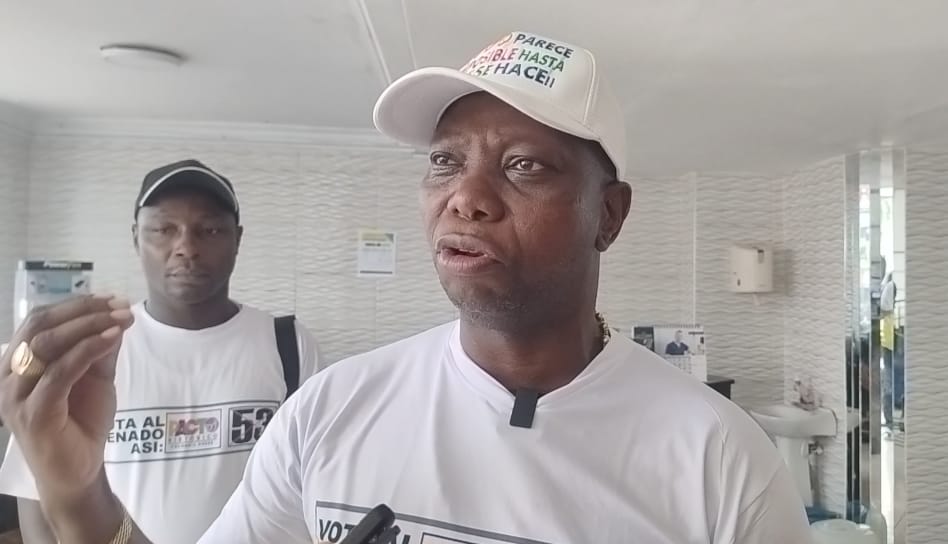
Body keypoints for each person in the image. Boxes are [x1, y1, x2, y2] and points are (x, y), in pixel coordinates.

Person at [0, 32, 812, 543]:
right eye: (446, 161)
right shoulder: (330, 411)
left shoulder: (718, 458)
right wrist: (77, 490)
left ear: (609, 214)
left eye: (525, 166)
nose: (467, 197)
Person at [0, 160, 322, 544]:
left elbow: (316, 477)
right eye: (163, 229)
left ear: (237, 239)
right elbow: (34, 491)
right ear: (136, 238)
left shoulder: (288, 344)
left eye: (210, 230)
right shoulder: (92, 350)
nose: (186, 247)